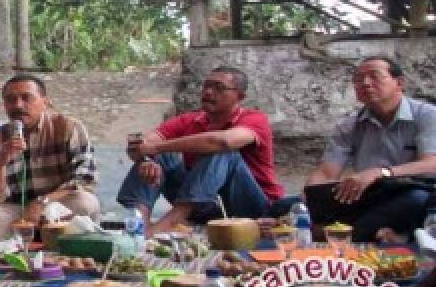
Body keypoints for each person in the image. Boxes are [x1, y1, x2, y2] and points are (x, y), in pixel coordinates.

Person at [118, 66, 286, 231]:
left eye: (219, 88)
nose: (208, 92)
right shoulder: (190, 120)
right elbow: (145, 144)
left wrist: (156, 147)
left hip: (252, 208)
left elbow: (224, 142)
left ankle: (168, 224)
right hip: (208, 207)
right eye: (206, 86)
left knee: (223, 152)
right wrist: (146, 159)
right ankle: (139, 226)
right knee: (159, 158)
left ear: (239, 96)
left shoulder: (256, 119)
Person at [304, 56, 436, 243]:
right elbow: (326, 173)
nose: (365, 83)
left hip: (415, 191)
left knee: (416, 200)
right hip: (368, 195)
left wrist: (381, 173)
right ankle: (380, 234)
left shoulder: (427, 115)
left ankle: (340, 235)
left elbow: (431, 164)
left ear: (399, 83)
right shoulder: (349, 125)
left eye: (375, 76)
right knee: (288, 205)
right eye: (358, 79)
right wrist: (308, 199)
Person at [0, 75, 99, 232]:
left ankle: (24, 233)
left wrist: (43, 202)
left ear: (45, 103)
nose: (18, 105)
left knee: (85, 202)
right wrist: (2, 160)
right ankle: (32, 231)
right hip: (15, 211)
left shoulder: (68, 127)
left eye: (26, 98)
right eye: (10, 100)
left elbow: (85, 179)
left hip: (58, 206)